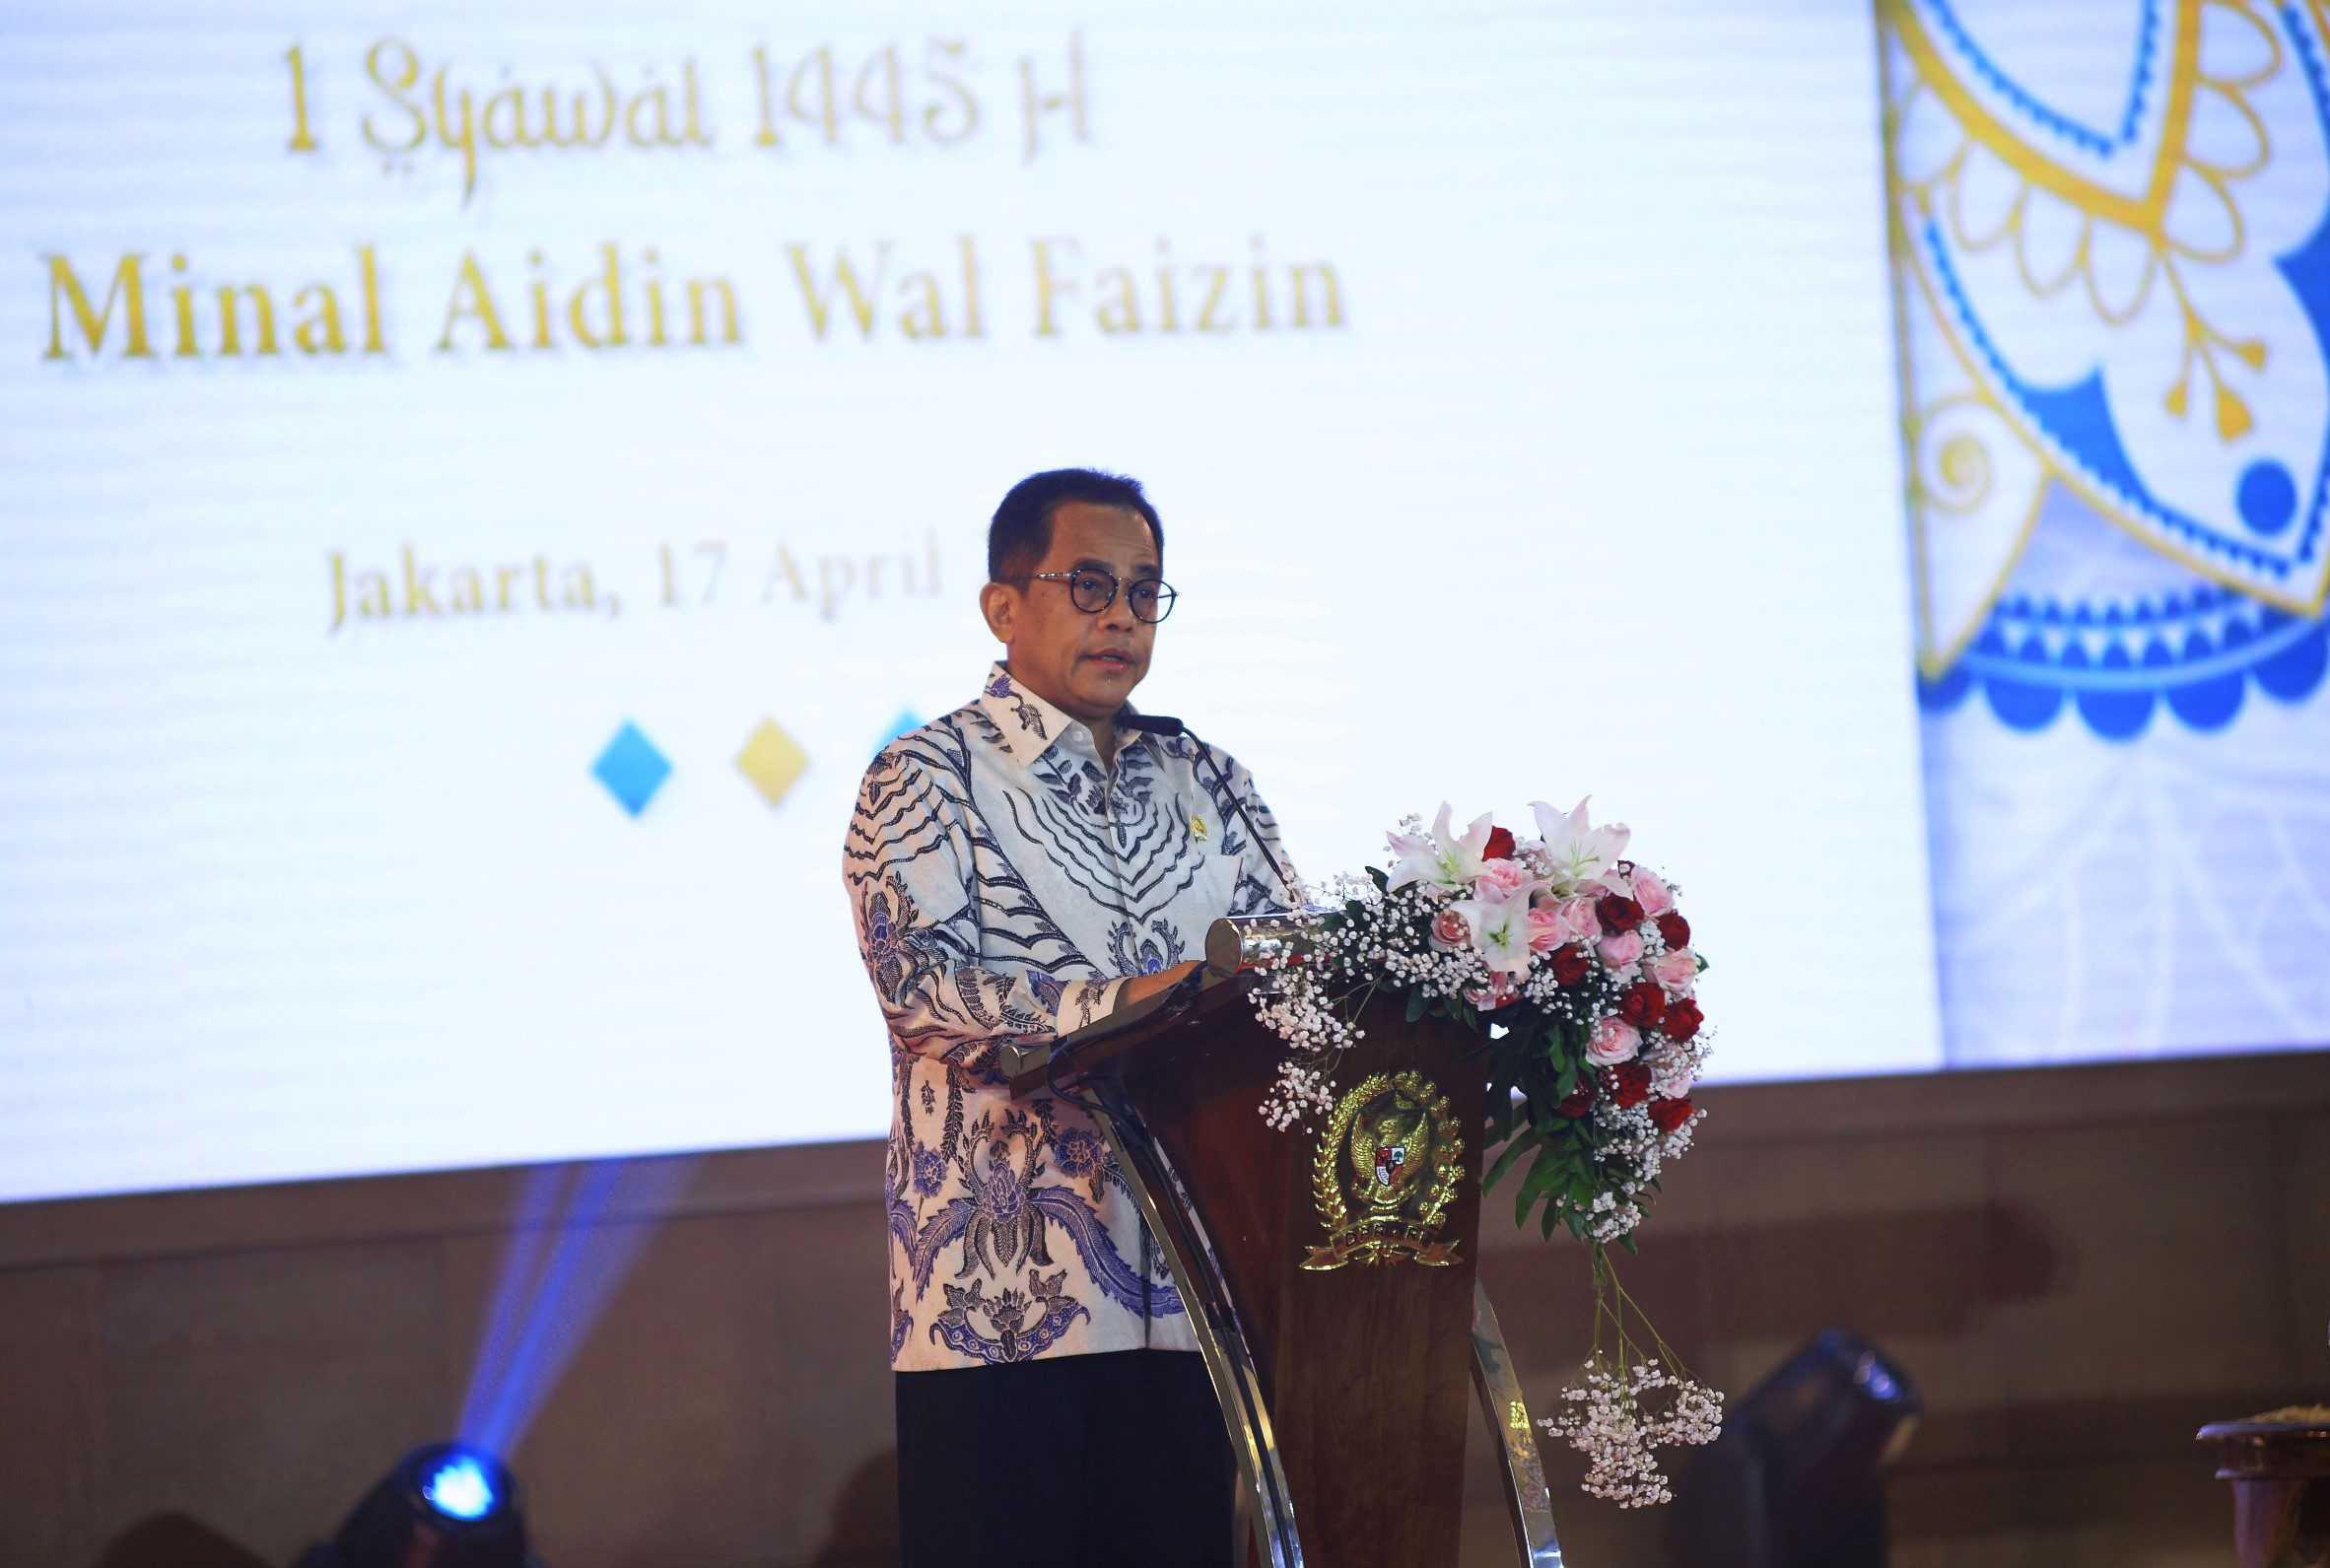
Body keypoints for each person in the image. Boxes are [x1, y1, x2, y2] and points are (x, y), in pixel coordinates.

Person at [843, 467, 1295, 1566]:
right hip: (999, 1301)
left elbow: (1288, 963)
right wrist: (1132, 1001)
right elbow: (922, 988)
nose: (1121, 616)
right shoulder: (925, 775)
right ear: (1002, 606)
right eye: (1089, 584)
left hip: (1189, 1294)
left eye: (1144, 591)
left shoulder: (1209, 779)